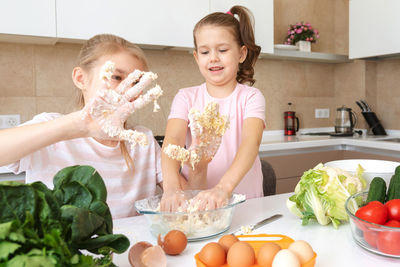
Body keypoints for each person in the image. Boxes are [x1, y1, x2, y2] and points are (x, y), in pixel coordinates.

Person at [0, 34, 163, 219]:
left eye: (136, 82)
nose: (127, 89)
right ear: (80, 78)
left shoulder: (143, 140)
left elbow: (183, 197)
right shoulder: (51, 128)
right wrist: (81, 125)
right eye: (117, 77)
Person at [161, 5, 265, 211]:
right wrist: (171, 187)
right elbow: (172, 141)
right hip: (200, 204)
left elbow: (250, 143)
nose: (213, 58)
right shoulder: (186, 97)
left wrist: (223, 189)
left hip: (246, 202)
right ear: (196, 57)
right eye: (205, 51)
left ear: (241, 54)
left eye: (223, 50)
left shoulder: (251, 97)